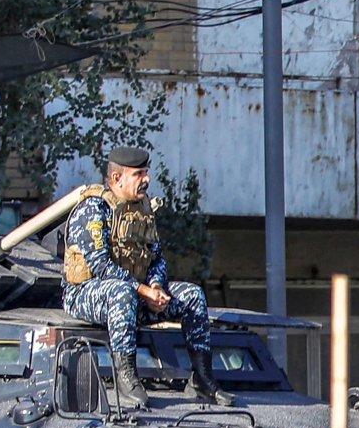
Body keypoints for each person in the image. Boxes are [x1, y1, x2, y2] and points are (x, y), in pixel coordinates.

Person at [62, 147, 235, 406]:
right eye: (139, 174)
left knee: (192, 295)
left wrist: (156, 286)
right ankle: (127, 377)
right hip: (87, 294)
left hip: (135, 295)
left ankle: (202, 378)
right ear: (117, 178)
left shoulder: (142, 209)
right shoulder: (93, 209)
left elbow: (157, 258)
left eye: (146, 172)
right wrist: (143, 291)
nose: (146, 179)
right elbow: (100, 266)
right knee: (122, 292)